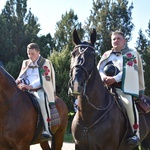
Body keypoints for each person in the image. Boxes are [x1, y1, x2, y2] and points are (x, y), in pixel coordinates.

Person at [97, 31, 147, 146]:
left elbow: (129, 71)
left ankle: (135, 133)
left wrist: (114, 79)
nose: (116, 41)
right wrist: (104, 77)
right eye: (114, 39)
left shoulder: (131, 54)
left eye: (119, 38)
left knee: (128, 103)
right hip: (105, 87)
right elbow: (99, 69)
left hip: (123, 88)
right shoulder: (106, 55)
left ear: (124, 41)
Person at [16, 43, 56, 140]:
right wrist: (19, 81)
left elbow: (44, 79)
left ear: (38, 52)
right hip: (26, 88)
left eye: (32, 53)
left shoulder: (45, 63)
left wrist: (30, 86)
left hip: (39, 89)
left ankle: (47, 129)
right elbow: (22, 76)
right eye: (28, 54)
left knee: (42, 100)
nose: (30, 56)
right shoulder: (25, 63)